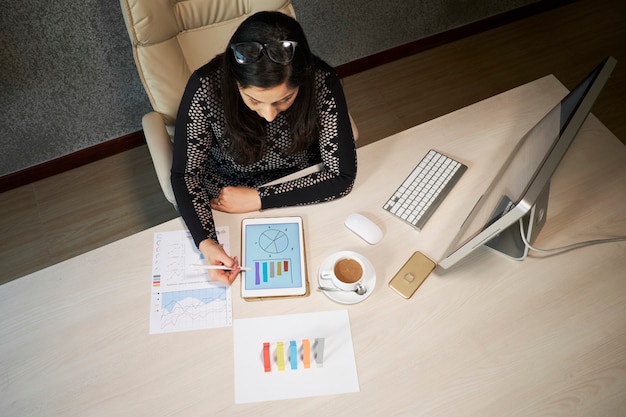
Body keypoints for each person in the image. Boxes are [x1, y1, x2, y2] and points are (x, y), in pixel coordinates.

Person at [171, 11, 357, 286]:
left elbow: (341, 177)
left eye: (284, 100)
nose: (269, 115)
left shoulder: (321, 80)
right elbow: (186, 175)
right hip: (228, 195)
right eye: (253, 100)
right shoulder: (205, 87)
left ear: (302, 81)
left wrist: (260, 198)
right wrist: (207, 243)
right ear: (235, 83)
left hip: (298, 181)